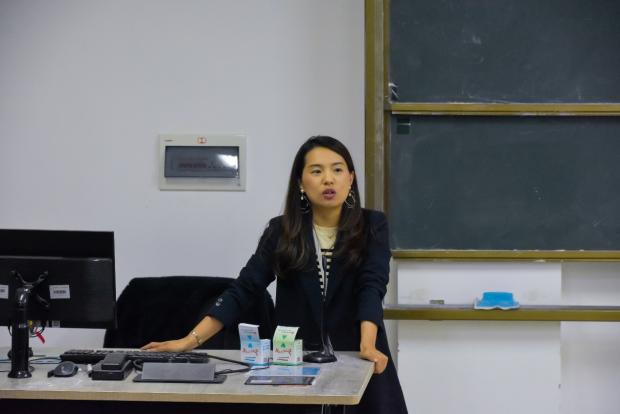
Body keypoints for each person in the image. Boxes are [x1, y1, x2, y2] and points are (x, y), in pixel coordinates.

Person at [142, 135, 408, 414]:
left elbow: (372, 286)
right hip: (297, 364)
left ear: (350, 178)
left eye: (337, 169)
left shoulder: (372, 225)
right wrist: (189, 340)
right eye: (317, 171)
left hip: (361, 357)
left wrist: (367, 345)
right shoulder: (282, 231)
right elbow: (244, 289)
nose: (328, 179)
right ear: (300, 182)